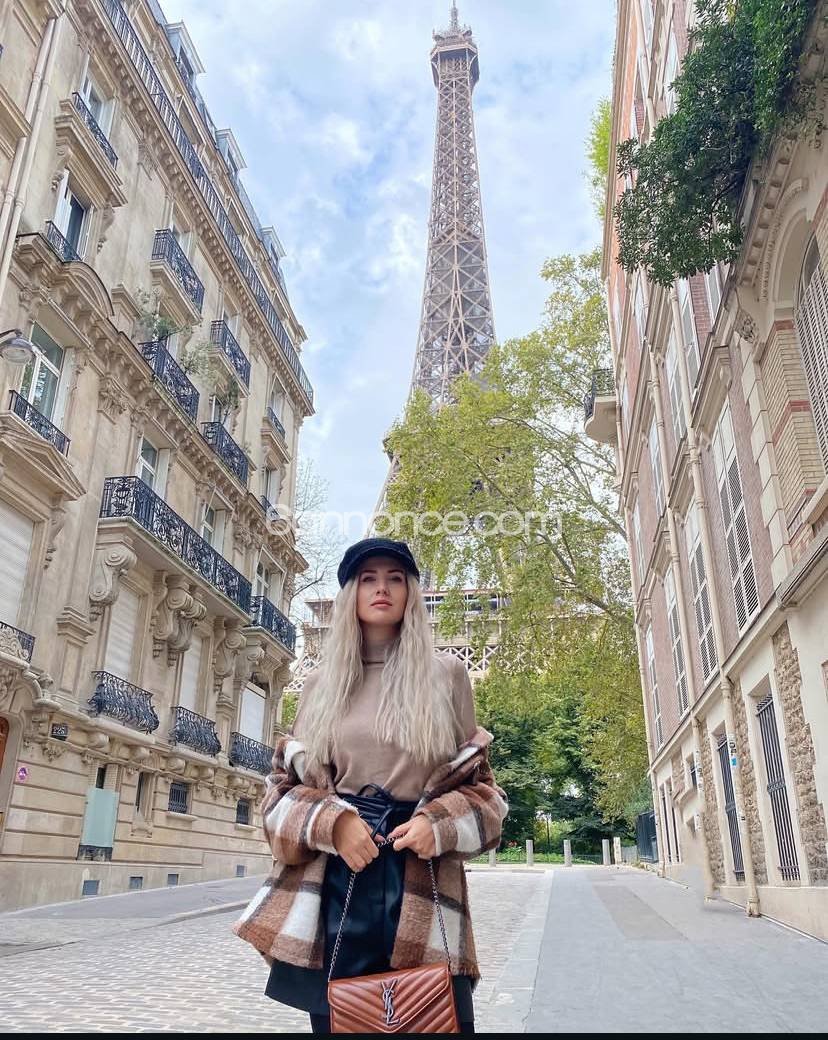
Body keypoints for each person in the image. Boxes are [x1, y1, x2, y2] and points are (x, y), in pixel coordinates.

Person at [234, 537, 508, 1034]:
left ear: (411, 593)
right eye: (368, 579)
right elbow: (281, 790)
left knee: (435, 1020)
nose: (382, 588)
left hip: (422, 871)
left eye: (395, 578)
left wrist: (438, 825)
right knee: (345, 1020)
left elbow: (484, 791)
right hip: (341, 873)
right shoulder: (320, 684)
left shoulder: (446, 675)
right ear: (350, 595)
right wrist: (332, 825)